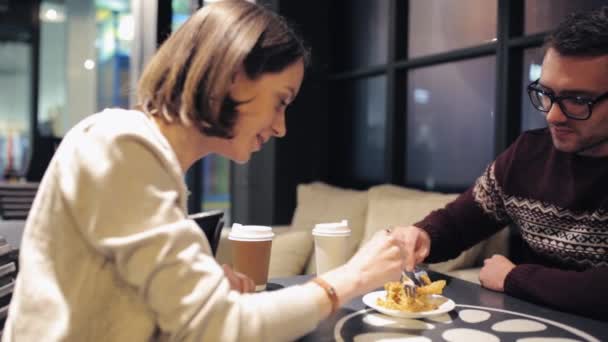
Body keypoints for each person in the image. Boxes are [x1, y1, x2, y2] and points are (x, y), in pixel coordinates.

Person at [3, 1, 407, 341]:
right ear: (232, 76)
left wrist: (200, 286)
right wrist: (350, 278)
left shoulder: (147, 162)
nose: (282, 127)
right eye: (281, 101)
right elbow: (217, 327)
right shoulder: (117, 146)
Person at [392, 6, 608, 321]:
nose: (552, 115)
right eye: (546, 94)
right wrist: (421, 236)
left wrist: (513, 277)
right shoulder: (527, 155)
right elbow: (459, 222)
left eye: (578, 100)